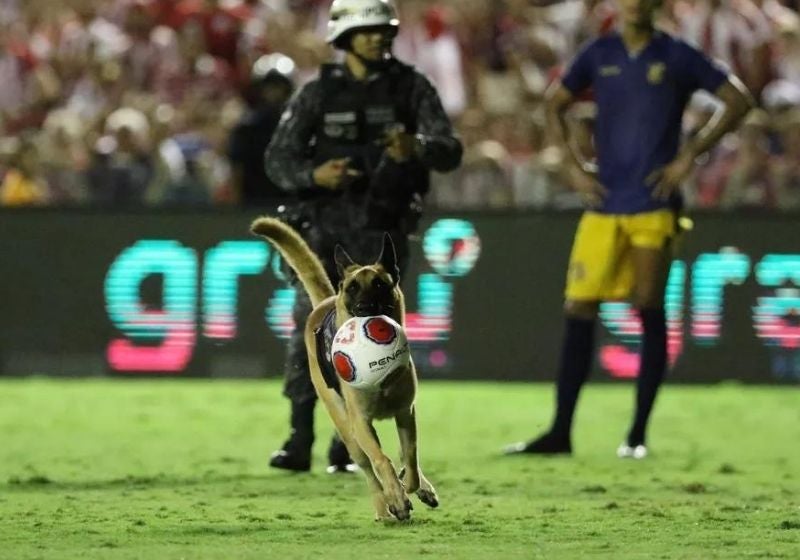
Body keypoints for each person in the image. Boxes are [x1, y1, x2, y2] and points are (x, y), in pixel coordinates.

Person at [506, 0, 753, 459]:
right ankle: (560, 432)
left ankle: (636, 435)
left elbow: (739, 99)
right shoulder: (598, 53)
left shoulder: (677, 55)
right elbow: (553, 104)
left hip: (654, 202)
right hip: (605, 202)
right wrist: (575, 168)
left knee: (647, 305)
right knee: (579, 306)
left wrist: (690, 156)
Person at [263, 0, 463, 473]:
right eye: (368, 30)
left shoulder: (411, 87)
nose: (379, 37)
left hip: (382, 233)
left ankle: (348, 443)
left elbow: (449, 149)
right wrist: (317, 175)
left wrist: (417, 147)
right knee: (308, 333)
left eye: (383, 29)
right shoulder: (316, 94)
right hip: (324, 230)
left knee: (375, 339)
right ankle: (300, 435)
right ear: (345, 37)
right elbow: (278, 160)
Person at [228, 53, 297, 207]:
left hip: (291, 207)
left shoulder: (300, 128)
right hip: (253, 208)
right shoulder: (246, 130)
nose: (273, 94)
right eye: (268, 88)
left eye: (278, 88)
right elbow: (236, 174)